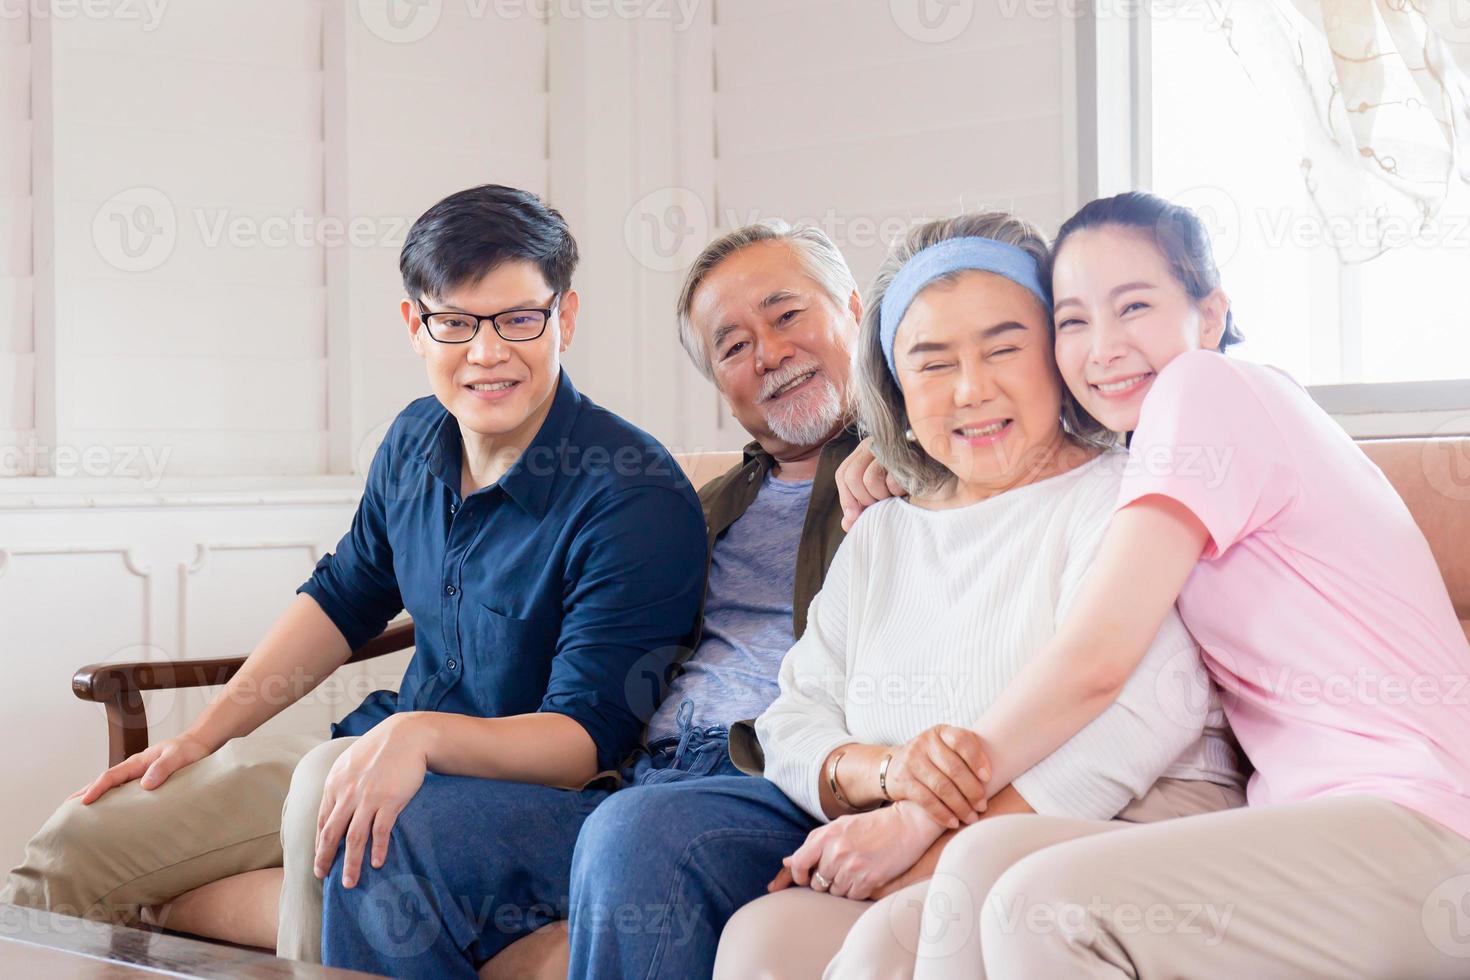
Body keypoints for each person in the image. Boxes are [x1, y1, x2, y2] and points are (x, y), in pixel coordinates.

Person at [0, 184, 708, 964]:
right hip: (370, 747)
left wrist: (417, 735)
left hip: (519, 801)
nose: (487, 352)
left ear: (563, 318)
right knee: (83, 837)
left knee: (324, 790)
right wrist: (202, 737)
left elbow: (585, 740)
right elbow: (342, 599)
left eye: (518, 319)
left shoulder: (630, 493)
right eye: (455, 322)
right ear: (416, 325)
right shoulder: (410, 441)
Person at [827, 191, 1470, 977]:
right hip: (1306, 826)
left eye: (1133, 306)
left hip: (1421, 830)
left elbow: (1097, 659)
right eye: (1072, 321)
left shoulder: (1206, 389)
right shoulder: (1170, 443)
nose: (1103, 347)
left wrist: (919, 812)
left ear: (1209, 314)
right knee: (982, 862)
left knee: (1042, 906)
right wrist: (895, 458)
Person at [315, 219, 866, 978]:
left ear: (856, 311)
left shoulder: (916, 479)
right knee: (391, 829)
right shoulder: (702, 507)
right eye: (733, 346)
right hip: (639, 777)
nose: (768, 353)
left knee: (636, 837)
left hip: (777, 778)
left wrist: (898, 444)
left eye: (787, 315)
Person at [709, 210, 1243, 978]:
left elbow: (1140, 716)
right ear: (894, 388)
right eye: (931, 363)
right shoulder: (881, 534)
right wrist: (885, 774)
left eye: (1004, 348)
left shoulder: (1123, 495)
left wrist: (926, 839)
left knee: (888, 946)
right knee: (763, 940)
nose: (971, 389)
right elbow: (795, 715)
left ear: (1058, 356)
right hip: (928, 839)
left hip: (1116, 825)